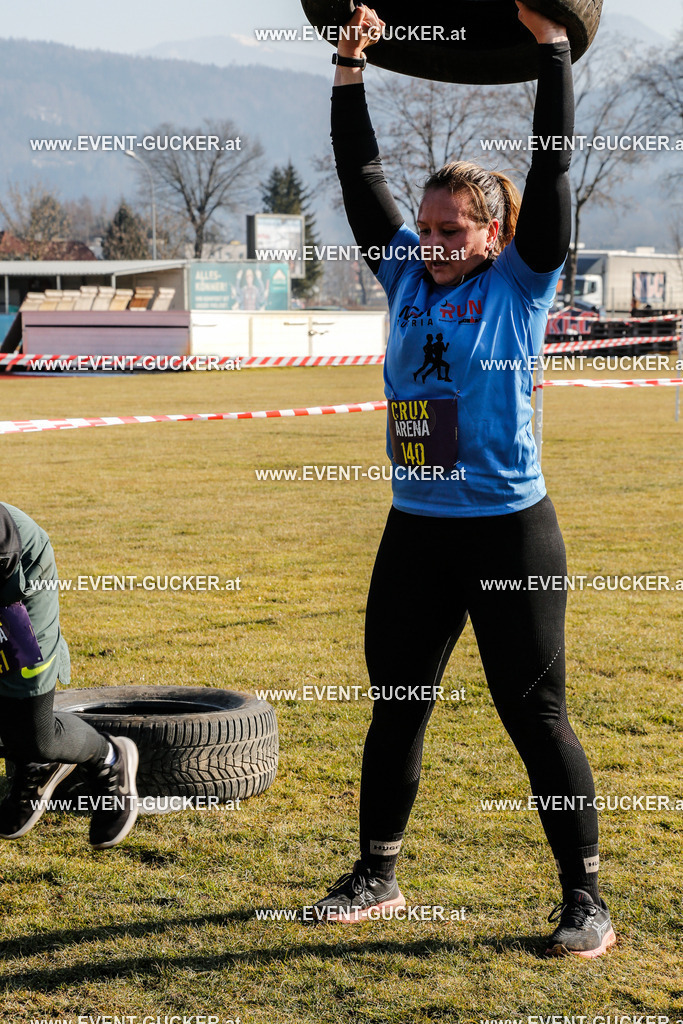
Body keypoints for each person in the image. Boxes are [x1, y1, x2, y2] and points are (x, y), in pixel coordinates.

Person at [309, 2, 616, 958]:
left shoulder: (521, 282)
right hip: (417, 528)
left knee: (536, 717)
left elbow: (551, 164)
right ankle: (376, 876)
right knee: (395, 703)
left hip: (507, 529)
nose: (431, 242)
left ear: (491, 236)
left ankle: (585, 899)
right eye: (427, 227)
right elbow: (362, 178)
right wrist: (350, 67)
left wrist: (552, 51)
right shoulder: (404, 273)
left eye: (451, 231)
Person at [0, 502, 139, 849]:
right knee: (20, 731)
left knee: (39, 736)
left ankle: (110, 758)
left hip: (17, 566)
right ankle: (33, 760)